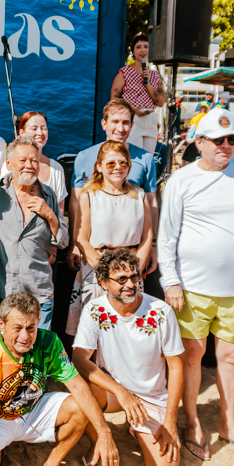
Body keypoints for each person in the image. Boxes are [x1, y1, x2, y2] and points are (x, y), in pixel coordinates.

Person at [158, 108, 234, 461]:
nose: (227, 146)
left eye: (233, 140)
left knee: (232, 355)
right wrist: (170, 281)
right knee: (192, 356)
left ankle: (228, 423)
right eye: (219, 140)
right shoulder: (182, 179)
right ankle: (192, 421)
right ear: (200, 142)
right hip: (191, 287)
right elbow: (167, 236)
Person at [0, 292, 119, 466]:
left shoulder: (49, 342)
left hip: (33, 408)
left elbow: (78, 386)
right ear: (1, 324)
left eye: (31, 328)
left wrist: (104, 431)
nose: (25, 337)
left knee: (79, 406)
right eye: (17, 328)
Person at [72, 249, 184, 466]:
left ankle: (138, 428)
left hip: (151, 397)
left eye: (134, 277)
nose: (131, 284)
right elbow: (79, 359)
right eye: (121, 279)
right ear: (103, 282)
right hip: (114, 392)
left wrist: (171, 421)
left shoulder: (161, 312)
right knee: (80, 386)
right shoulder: (95, 310)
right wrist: (120, 391)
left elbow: (176, 367)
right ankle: (98, 441)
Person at [0, 137, 68, 329]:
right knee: (6, 355)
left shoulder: (49, 195)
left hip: (40, 296)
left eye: (34, 160)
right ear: (8, 163)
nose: (29, 165)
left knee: (37, 355)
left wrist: (49, 215)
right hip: (4, 295)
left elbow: (63, 241)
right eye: (23, 160)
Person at [67, 140, 153, 335]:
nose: (118, 168)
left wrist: (134, 270)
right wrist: (106, 272)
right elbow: (80, 237)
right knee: (95, 332)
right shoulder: (89, 194)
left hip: (131, 273)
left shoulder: (139, 195)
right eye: (111, 163)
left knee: (129, 329)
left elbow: (147, 235)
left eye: (123, 163)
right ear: (99, 166)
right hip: (98, 272)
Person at [69, 99, 158, 271]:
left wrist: (152, 246)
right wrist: (75, 244)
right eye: (115, 121)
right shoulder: (84, 157)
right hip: (95, 253)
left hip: (132, 253)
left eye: (125, 122)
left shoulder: (146, 159)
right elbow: (75, 203)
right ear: (104, 124)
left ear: (132, 125)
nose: (121, 128)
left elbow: (152, 203)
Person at [0, 110, 68, 213]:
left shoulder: (57, 169)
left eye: (44, 128)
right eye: (34, 128)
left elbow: (60, 211)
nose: (40, 133)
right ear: (21, 133)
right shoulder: (9, 166)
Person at [111, 33, 167, 153]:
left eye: (146, 47)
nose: (142, 50)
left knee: (148, 157)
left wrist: (147, 84)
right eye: (138, 47)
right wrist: (132, 110)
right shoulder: (124, 72)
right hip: (132, 117)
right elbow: (114, 100)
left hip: (150, 118)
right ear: (133, 51)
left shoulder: (155, 74)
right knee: (133, 156)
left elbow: (161, 102)